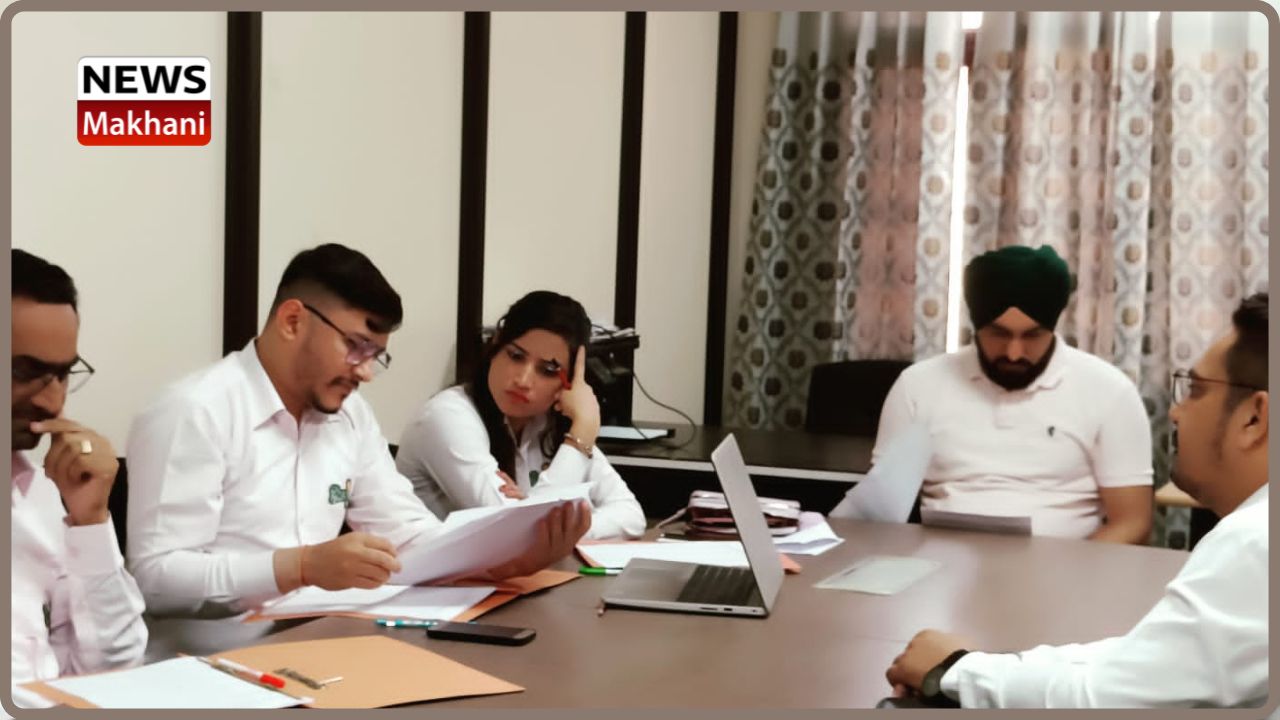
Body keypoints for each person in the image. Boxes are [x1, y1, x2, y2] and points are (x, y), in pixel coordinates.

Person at [124, 244, 590, 657]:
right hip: (208, 665)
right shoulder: (196, 410)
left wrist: (506, 561)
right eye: (356, 347)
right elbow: (157, 578)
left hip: (323, 645)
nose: (365, 372)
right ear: (292, 321)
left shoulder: (350, 415)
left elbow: (405, 533)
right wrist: (301, 567)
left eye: (376, 355)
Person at [885, 292, 1269, 708]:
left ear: (1255, 417)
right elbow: (1138, 665)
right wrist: (980, 666)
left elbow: (1102, 699)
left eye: (1195, 391)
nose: (1175, 413)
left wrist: (953, 672)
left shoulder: (1254, 544)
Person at [873, 245, 1153, 542]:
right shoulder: (918, 386)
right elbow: (881, 512)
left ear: (1052, 328)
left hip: (1064, 563)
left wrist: (1072, 569)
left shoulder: (1109, 391)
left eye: (1032, 335)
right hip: (939, 561)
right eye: (999, 333)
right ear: (976, 326)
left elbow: (1132, 522)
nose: (1014, 353)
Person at [10, 249, 147, 707]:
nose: (52, 402)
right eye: (25, 372)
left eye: (63, 373)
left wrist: (91, 520)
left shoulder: (40, 493)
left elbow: (116, 667)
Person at [396, 291, 644, 540]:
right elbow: (521, 532)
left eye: (548, 370)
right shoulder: (446, 416)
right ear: (496, 345)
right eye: (516, 356)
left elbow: (631, 516)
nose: (523, 380)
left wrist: (550, 520)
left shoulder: (548, 423)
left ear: (570, 383)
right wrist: (583, 430)